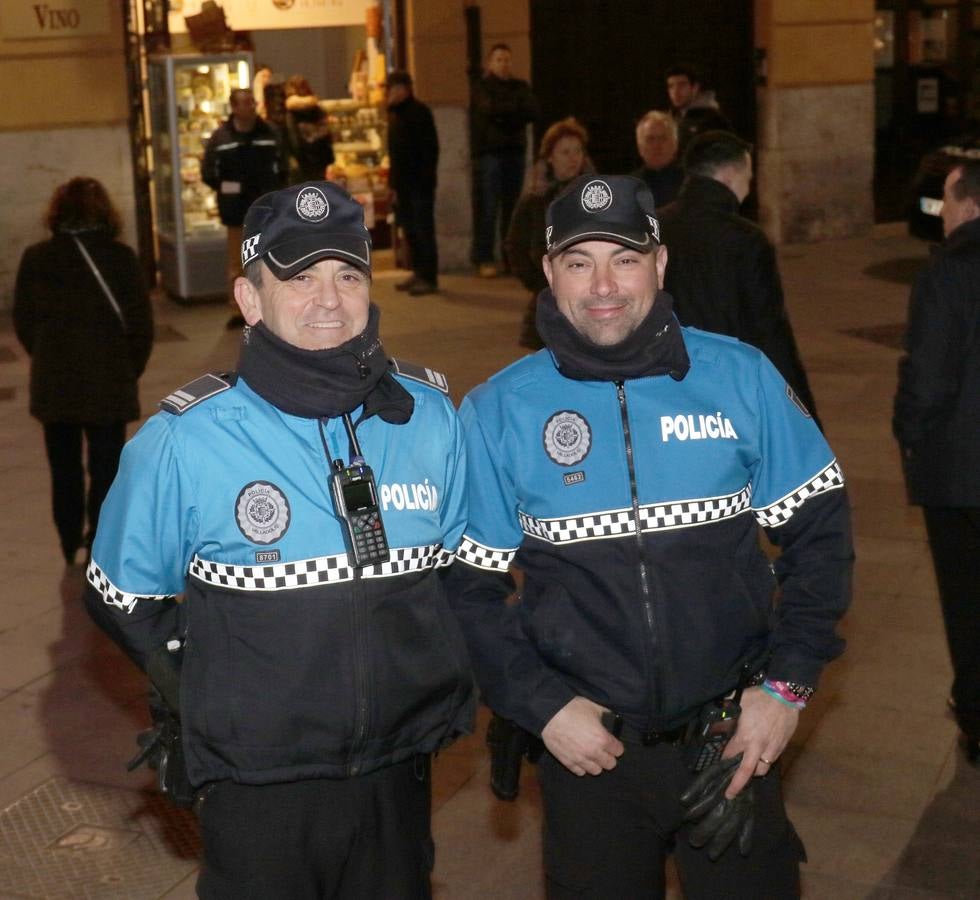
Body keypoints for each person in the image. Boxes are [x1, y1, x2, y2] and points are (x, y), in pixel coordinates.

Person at [448, 174, 853, 898]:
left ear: (659, 264)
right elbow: (466, 589)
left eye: (624, 259)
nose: (603, 284)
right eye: (579, 262)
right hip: (590, 751)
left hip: (732, 740)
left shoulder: (740, 377)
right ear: (549, 274)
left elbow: (821, 532)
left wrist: (785, 689)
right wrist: (542, 707)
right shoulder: (499, 410)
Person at [84, 181, 475, 898]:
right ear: (250, 299)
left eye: (347, 274)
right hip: (260, 787)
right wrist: (208, 694)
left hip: (399, 773)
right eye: (299, 278)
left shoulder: (427, 418)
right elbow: (121, 594)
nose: (328, 299)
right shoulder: (184, 440)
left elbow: (457, 574)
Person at [14, 177, 153, 584]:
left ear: (57, 213)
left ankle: (67, 535)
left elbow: (24, 322)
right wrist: (128, 369)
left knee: (64, 466)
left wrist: (48, 356)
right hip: (108, 380)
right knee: (107, 465)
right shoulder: (122, 257)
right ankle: (99, 538)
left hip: (56, 383)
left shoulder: (37, 257)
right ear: (106, 213)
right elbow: (141, 326)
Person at [893, 160, 980, 767]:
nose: (942, 214)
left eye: (946, 202)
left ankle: (976, 714)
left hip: (962, 470)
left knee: (966, 597)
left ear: (969, 204)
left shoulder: (948, 272)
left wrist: (909, 432)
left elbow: (929, 375)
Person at [658, 130, 820, 424]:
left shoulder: (655, 227)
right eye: (749, 173)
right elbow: (769, 332)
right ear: (730, 174)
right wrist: (802, 414)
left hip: (664, 386)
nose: (751, 184)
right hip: (728, 387)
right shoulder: (746, 240)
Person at [505, 116, 593, 348]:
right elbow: (516, 246)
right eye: (565, 152)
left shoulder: (594, 197)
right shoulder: (535, 200)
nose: (573, 158)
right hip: (547, 301)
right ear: (550, 157)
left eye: (578, 151)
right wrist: (538, 283)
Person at [202, 87, 284, 328]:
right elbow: (208, 171)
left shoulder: (270, 133)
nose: (251, 107)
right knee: (237, 263)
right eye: (245, 103)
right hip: (235, 210)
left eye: (252, 102)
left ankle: (270, 307)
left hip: (266, 210)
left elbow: (283, 167)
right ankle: (238, 310)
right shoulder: (221, 138)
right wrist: (226, 189)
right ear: (234, 108)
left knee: (267, 259)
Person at [470, 42, 539, 277]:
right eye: (498, 59)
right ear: (490, 63)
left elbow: (531, 111)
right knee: (488, 207)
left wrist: (504, 114)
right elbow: (488, 110)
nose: (503, 64)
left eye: (507, 59)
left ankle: (510, 257)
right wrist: (513, 113)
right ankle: (485, 258)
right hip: (491, 155)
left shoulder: (521, 86)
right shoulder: (482, 87)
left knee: (512, 207)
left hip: (515, 153)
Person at [386, 70, 440, 297]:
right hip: (404, 186)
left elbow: (429, 150)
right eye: (392, 88)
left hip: (419, 184)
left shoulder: (419, 112)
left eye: (399, 88)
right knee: (410, 230)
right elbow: (396, 156)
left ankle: (428, 276)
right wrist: (394, 185)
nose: (395, 93)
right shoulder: (396, 115)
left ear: (407, 89)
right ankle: (418, 272)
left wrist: (423, 179)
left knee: (422, 229)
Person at [665, 64, 732, 156]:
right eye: (671, 86)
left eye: (682, 85)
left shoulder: (713, 119)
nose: (675, 91)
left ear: (695, 88)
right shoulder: (670, 118)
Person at [284, 75, 334, 185]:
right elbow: (327, 134)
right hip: (320, 159)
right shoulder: (317, 108)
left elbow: (294, 141)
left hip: (304, 163)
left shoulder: (290, 112)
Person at [630, 110, 683, 206]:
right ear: (640, 147)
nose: (657, 145)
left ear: (675, 144)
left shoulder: (691, 185)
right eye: (650, 139)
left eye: (663, 138)